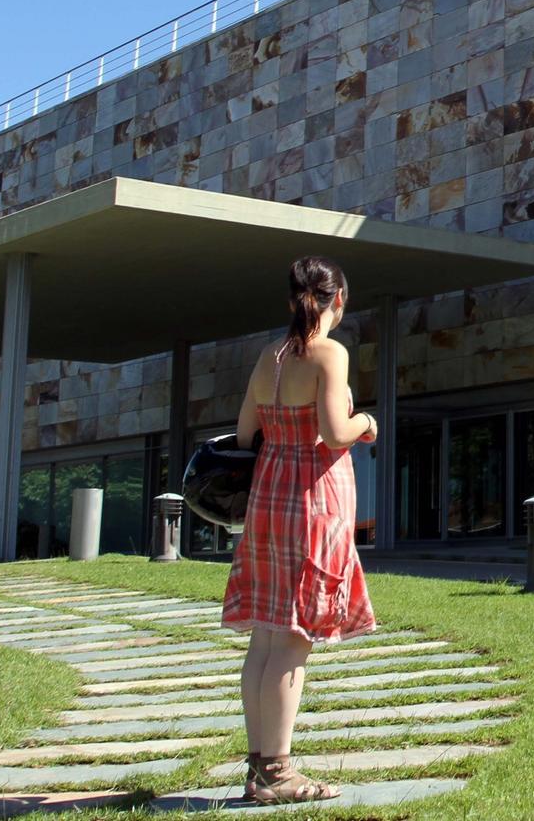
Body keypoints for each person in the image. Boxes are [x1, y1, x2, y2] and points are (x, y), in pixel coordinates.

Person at [221, 255, 379, 804]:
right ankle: (279, 772)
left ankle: (258, 767)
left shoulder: (270, 356)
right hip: (313, 503)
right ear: (339, 301)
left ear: (293, 300)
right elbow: (336, 433)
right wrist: (367, 422)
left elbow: (245, 434)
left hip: (268, 501)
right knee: (294, 641)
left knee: (266, 638)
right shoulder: (330, 354)